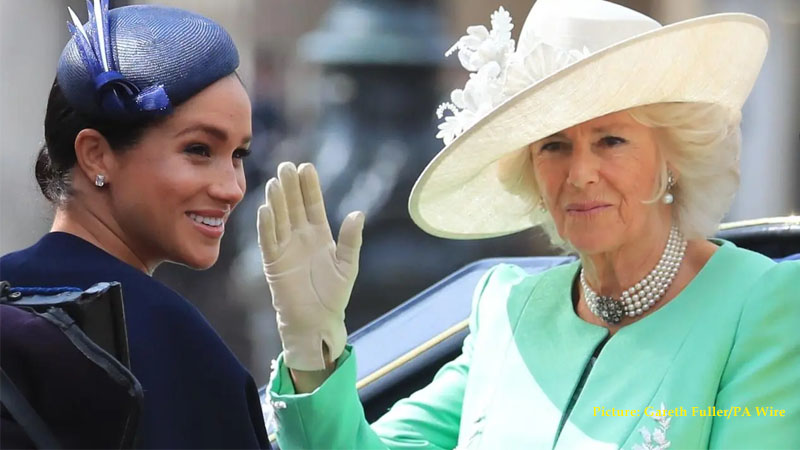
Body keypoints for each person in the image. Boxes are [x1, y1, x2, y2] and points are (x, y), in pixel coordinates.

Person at [258, 0, 800, 448]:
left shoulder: (764, 304)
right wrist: (313, 349)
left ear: (672, 158)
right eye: (554, 146)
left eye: (611, 140)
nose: (579, 174)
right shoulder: (508, 310)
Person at [0, 1, 269, 448]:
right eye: (199, 150)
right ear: (96, 155)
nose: (232, 188)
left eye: (239, 155)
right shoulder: (178, 349)